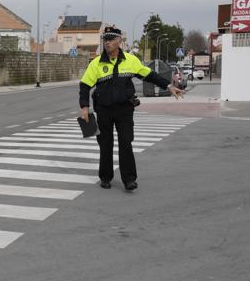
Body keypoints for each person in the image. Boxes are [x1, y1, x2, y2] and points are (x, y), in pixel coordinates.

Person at [79, 26, 184, 191]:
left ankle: (129, 179)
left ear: (120, 41)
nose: (107, 42)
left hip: (124, 110)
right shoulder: (96, 63)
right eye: (105, 39)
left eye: (111, 39)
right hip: (104, 110)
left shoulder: (130, 60)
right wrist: (84, 107)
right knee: (105, 144)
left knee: (126, 143)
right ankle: (105, 177)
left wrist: (169, 86)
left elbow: (149, 75)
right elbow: (85, 86)